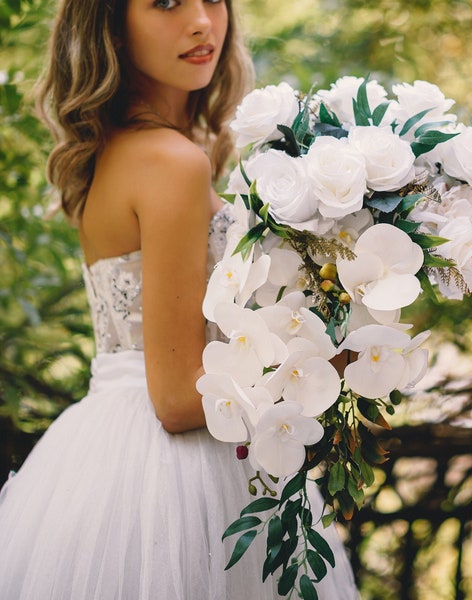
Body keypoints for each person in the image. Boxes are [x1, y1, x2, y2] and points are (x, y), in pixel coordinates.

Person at [0, 0, 359, 598]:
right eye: (166, 2)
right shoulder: (171, 162)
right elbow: (173, 397)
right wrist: (323, 368)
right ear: (112, 24)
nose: (201, 21)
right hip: (176, 469)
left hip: (102, 455)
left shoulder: (127, 150)